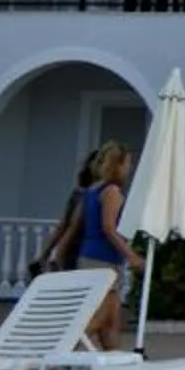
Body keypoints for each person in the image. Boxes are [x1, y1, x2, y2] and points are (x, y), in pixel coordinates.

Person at [72, 143, 141, 350]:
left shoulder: (92, 191)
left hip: (92, 256)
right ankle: (51, 364)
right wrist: (132, 256)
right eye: (127, 163)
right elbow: (109, 228)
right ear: (117, 165)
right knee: (99, 319)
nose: (129, 168)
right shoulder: (112, 192)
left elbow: (78, 224)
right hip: (103, 260)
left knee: (110, 321)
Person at [23, 149, 102, 279]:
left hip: (91, 250)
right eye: (97, 162)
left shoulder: (106, 193)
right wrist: (46, 254)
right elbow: (66, 224)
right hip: (76, 248)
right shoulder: (81, 194)